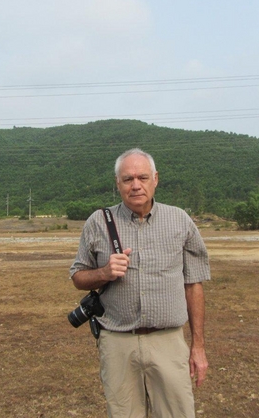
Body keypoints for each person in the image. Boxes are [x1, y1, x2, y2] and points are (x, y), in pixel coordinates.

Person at [69, 148, 211, 418]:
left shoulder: (180, 220)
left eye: (142, 177)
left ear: (155, 179)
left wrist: (198, 347)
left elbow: (193, 284)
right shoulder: (97, 222)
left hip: (168, 342)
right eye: (127, 179)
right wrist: (104, 273)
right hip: (117, 343)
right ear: (117, 184)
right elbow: (77, 276)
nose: (136, 185)